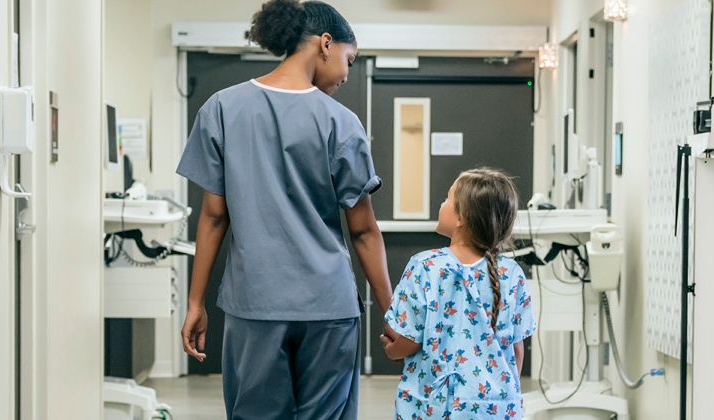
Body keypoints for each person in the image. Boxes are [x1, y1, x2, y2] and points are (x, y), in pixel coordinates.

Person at [174, 1, 391, 418]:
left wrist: (196, 303)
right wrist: (393, 312)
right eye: (349, 59)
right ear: (325, 44)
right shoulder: (341, 122)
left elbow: (214, 216)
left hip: (254, 304)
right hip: (328, 308)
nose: (347, 74)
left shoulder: (221, 109)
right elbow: (363, 231)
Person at [381, 168, 536, 419]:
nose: (441, 204)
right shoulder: (512, 273)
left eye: (447, 198)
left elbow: (408, 340)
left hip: (435, 407)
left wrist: (391, 350)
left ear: (462, 217)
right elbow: (517, 350)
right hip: (494, 408)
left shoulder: (425, 267)